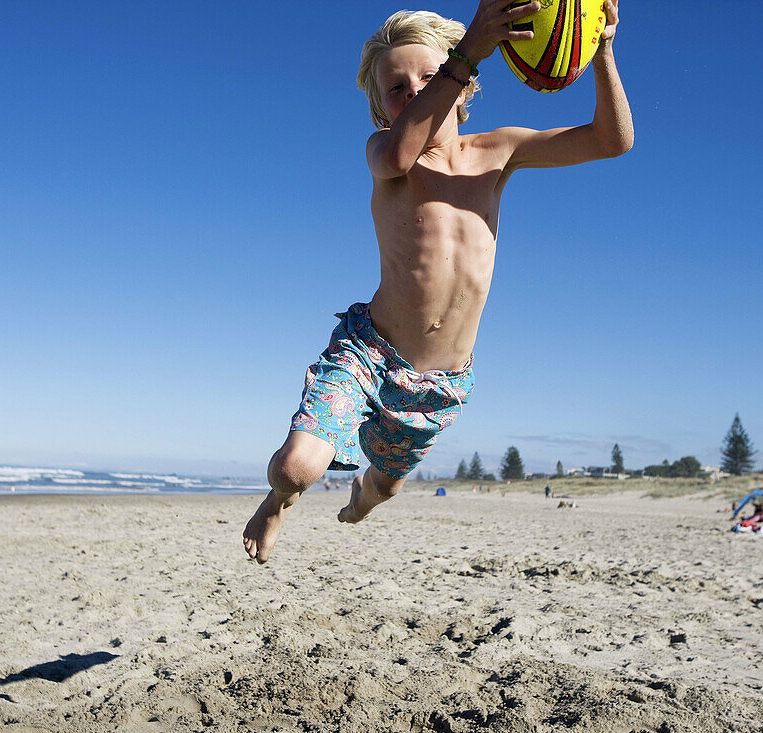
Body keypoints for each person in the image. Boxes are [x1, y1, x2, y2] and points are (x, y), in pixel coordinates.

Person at [243, 0, 633, 563]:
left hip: (440, 384)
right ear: (382, 109)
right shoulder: (386, 153)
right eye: (397, 87)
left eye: (429, 75)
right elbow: (403, 149)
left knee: (385, 486)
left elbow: (610, 139)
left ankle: (364, 498)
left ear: (466, 89)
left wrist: (603, 54)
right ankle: (278, 503)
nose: (416, 90)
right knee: (294, 468)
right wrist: (468, 51)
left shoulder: (499, 152)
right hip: (369, 353)